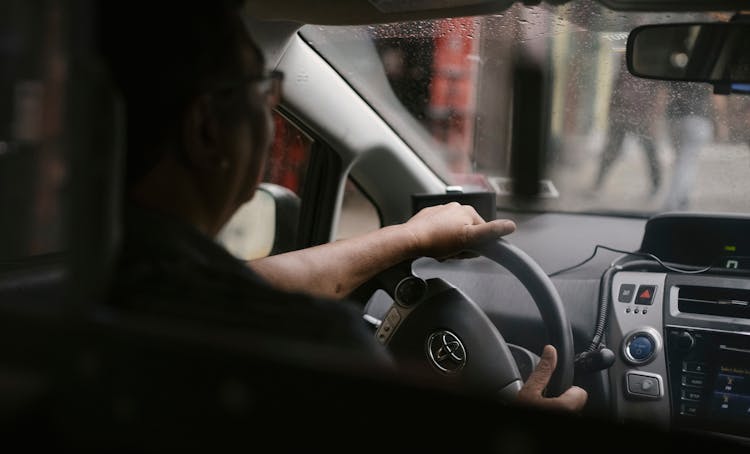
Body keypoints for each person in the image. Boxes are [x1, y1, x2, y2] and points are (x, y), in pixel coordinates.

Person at [100, 0, 586, 413]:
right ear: (207, 131)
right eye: (264, 92)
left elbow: (252, 283)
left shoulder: (95, 276)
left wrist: (409, 237)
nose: (271, 120)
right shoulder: (317, 347)